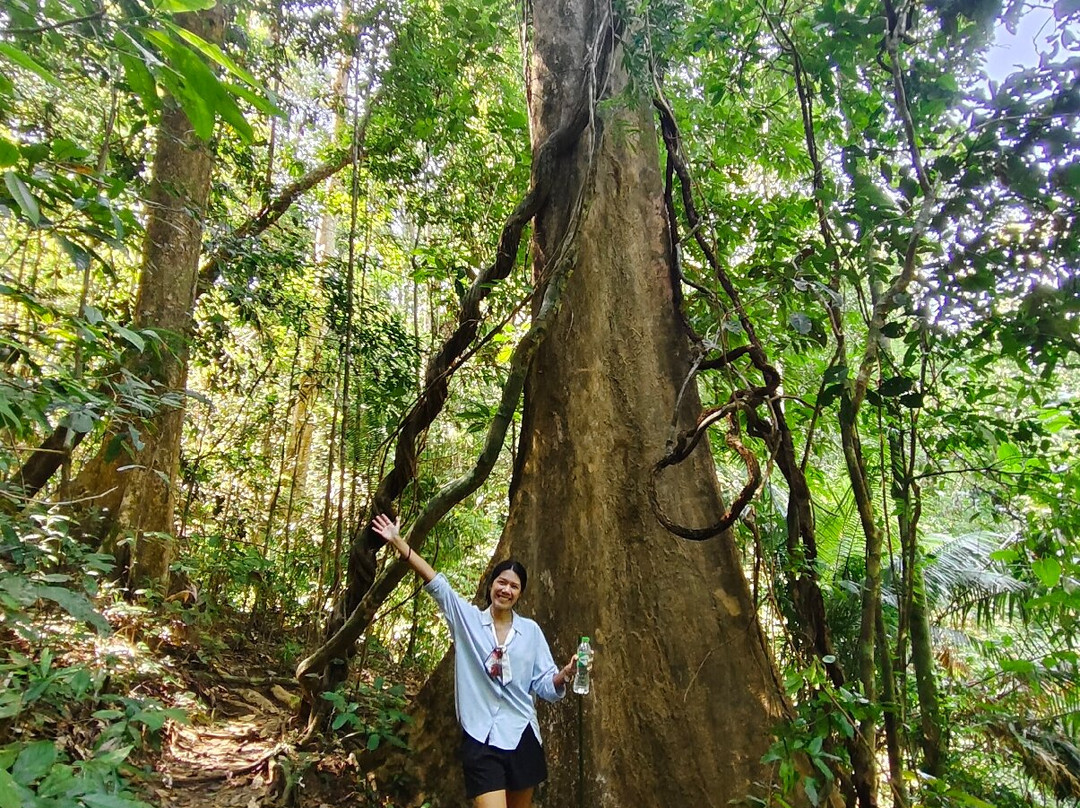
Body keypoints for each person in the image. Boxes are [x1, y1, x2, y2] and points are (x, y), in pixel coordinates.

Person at [371, 514, 576, 808]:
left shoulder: (530, 632)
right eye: (502, 582)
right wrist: (398, 542)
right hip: (481, 738)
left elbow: (544, 684)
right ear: (491, 585)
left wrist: (565, 673)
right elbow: (437, 583)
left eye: (514, 586)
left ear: (520, 594)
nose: (506, 590)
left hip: (522, 734)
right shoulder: (467, 621)